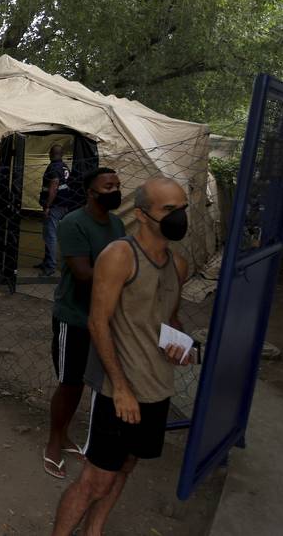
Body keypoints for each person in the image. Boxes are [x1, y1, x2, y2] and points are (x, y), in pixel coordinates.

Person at [51, 178, 193, 536]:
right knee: (95, 480)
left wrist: (181, 346)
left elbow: (167, 319)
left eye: (183, 208)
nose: (179, 217)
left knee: (127, 465)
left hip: (157, 386)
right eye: (169, 210)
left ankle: (94, 530)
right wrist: (121, 387)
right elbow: (98, 322)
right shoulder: (119, 256)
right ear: (143, 215)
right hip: (120, 391)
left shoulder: (179, 265)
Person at [43, 168, 126, 479]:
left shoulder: (117, 224)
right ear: (91, 192)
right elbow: (83, 273)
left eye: (118, 185)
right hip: (75, 317)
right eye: (108, 185)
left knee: (86, 382)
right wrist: (126, 277)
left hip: (105, 318)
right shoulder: (73, 223)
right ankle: (53, 442)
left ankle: (65, 435)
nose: (115, 189)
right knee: (69, 383)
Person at [37, 144, 76, 276]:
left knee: (50, 235)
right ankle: (47, 261)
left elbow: (53, 186)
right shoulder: (64, 166)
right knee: (51, 234)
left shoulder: (53, 167)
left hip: (55, 205)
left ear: (50, 154)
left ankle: (50, 266)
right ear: (62, 154)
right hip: (65, 204)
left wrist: (47, 206)